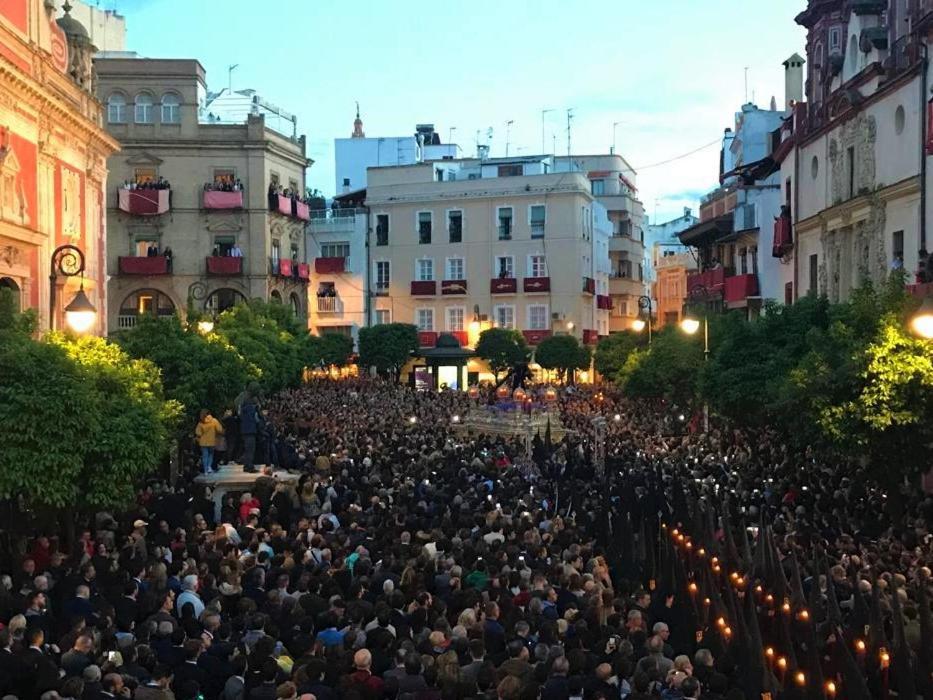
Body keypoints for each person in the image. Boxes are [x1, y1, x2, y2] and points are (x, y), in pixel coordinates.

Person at [195, 409, 224, 476]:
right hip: (212, 441)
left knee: (205, 456)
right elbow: (219, 429)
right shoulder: (214, 421)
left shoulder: (201, 422)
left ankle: (205, 471)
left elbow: (198, 433)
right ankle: (209, 467)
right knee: (211, 454)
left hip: (203, 442)